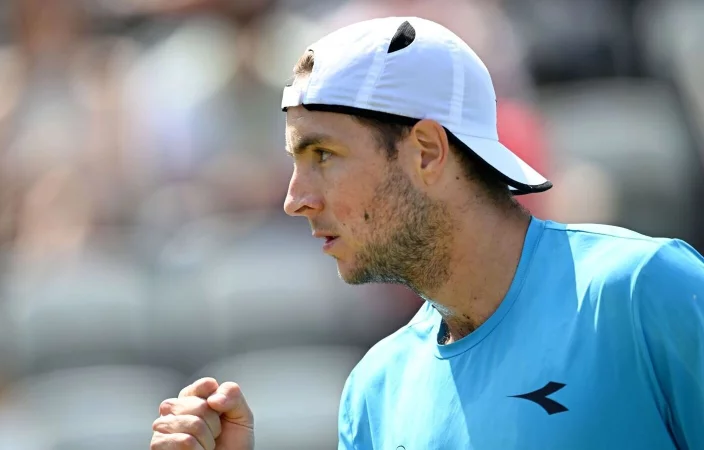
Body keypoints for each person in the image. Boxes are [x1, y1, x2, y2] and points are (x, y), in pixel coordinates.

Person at [150, 16, 704, 450]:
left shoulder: (642, 291)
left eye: (323, 154)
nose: (295, 199)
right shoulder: (374, 389)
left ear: (427, 152)